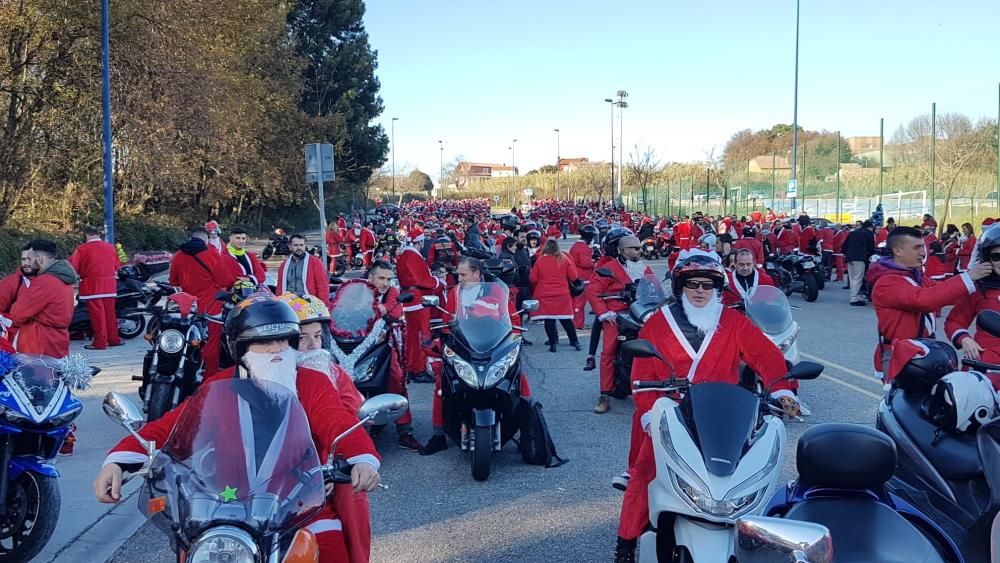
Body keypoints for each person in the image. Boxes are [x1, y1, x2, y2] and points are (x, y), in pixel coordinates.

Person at [94, 296, 381, 563]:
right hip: (228, 505)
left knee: (332, 552)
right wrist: (118, 461)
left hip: (298, 507)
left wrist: (362, 459)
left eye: (283, 340)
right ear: (240, 349)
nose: (277, 350)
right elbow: (168, 429)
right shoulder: (218, 386)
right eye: (264, 343)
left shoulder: (311, 383)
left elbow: (338, 422)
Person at [613, 252, 798, 562]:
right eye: (692, 284)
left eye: (708, 285)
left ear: (717, 288)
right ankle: (625, 545)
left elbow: (765, 355)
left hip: (719, 413)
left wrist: (780, 389)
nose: (700, 291)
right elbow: (641, 377)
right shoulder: (658, 324)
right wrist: (650, 412)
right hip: (668, 414)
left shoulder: (734, 321)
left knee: (746, 470)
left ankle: (748, 535)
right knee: (645, 471)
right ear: (680, 287)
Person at [278, 293, 370, 563]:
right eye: (303, 338)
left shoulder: (334, 374)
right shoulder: (266, 375)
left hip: (328, 466)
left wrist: (335, 469)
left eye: (318, 336)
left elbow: (349, 418)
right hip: (274, 478)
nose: (313, 345)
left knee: (353, 499)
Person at [420, 257, 532, 455]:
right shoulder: (456, 293)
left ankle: (528, 430)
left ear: (477, 274)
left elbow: (513, 319)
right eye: (458, 274)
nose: (459, 278)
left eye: (463, 275)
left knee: (519, 379)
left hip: (493, 346)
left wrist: (514, 338)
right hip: (465, 347)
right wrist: (442, 336)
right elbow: (447, 320)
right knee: (443, 382)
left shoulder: (497, 292)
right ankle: (439, 434)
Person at [865, 227, 992, 379]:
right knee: (906, 401)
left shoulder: (912, 275)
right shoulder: (887, 282)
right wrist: (968, 277)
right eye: (917, 247)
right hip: (900, 354)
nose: (923, 253)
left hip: (922, 350)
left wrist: (981, 286)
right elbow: (926, 300)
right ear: (898, 251)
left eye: (923, 247)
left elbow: (941, 291)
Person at [585, 229, 651, 415]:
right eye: (634, 248)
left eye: (639, 248)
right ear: (622, 250)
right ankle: (604, 395)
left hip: (640, 313)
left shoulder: (644, 267)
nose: (638, 251)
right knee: (608, 351)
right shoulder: (609, 268)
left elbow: (654, 287)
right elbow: (592, 291)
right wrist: (605, 313)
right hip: (616, 315)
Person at [363, 262, 423, 452]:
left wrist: (380, 309)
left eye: (389, 278)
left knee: (396, 378)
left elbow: (394, 310)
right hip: (356, 345)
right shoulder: (358, 290)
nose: (386, 282)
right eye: (381, 278)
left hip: (385, 345)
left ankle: (405, 431)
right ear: (370, 277)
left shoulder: (393, 293)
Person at [945, 224, 1000, 386]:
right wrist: (965, 340)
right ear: (986, 258)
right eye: (997, 256)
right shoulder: (978, 289)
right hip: (985, 366)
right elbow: (954, 322)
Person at [8, 240, 77, 357]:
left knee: (37, 374)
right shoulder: (62, 277)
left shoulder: (45, 281)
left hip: (39, 341)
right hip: (56, 338)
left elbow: (18, 313)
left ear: (39, 259)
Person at [68, 226, 122, 350]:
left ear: (86, 235)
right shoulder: (110, 247)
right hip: (109, 285)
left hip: (91, 285)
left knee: (97, 316)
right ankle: (114, 339)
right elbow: (117, 265)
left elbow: (74, 266)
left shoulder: (82, 249)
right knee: (110, 314)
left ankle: (100, 342)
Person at [397, 239, 440, 383]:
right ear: (420, 243)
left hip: (410, 299)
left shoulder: (404, 256)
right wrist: (436, 281)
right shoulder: (413, 256)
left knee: (412, 337)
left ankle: (411, 367)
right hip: (418, 300)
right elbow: (422, 279)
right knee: (422, 335)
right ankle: (419, 369)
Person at [529, 239, 581, 352]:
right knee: (566, 319)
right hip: (562, 293)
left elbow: (533, 279)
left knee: (549, 319)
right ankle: (574, 341)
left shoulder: (540, 260)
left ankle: (553, 344)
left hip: (544, 293)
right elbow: (573, 276)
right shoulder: (564, 259)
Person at [277, 234, 331, 305]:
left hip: (308, 303)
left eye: (301, 245)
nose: (299, 248)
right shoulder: (284, 266)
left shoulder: (315, 263)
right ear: (290, 247)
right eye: (296, 245)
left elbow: (323, 286)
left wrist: (324, 306)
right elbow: (279, 287)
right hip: (288, 303)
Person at [0, 248, 37, 344]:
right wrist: (13, 322)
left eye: (30, 259)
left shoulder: (49, 281)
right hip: (15, 339)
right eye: (23, 259)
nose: (26, 263)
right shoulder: (10, 283)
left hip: (41, 338)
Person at [570, 225, 598, 330]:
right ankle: (578, 323)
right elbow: (585, 263)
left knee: (577, 302)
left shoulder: (577, 246)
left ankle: (577, 322)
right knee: (579, 303)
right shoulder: (583, 247)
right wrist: (594, 262)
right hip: (583, 277)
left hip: (578, 276)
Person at [843, 220, 876, 306]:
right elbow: (871, 248)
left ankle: (854, 296)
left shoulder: (853, 233)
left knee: (852, 278)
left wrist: (846, 254)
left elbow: (845, 246)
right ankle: (854, 299)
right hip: (859, 258)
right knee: (858, 278)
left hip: (849, 258)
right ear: (870, 227)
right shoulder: (869, 234)